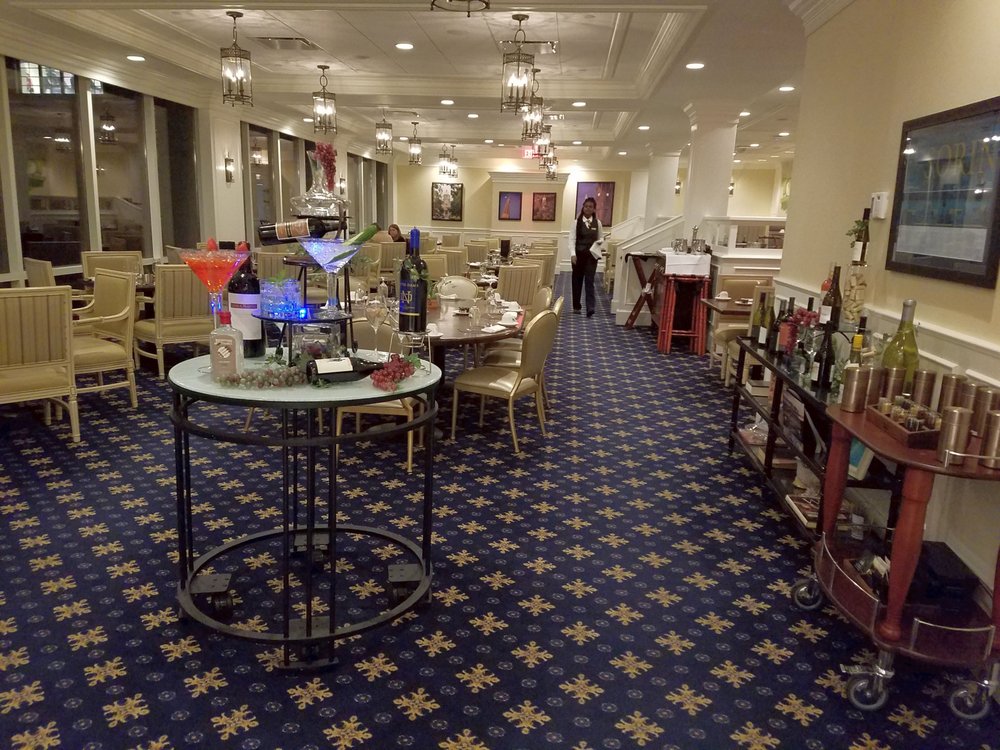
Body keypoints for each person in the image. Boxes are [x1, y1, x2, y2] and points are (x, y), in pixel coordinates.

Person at [569, 196, 603, 317]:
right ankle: (576, 306)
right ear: (583, 207)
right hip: (578, 255)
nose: (588, 208)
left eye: (590, 207)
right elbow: (572, 239)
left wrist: (600, 241)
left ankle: (590, 308)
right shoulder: (576, 223)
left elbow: (600, 237)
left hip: (591, 256)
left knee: (589, 281)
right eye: (586, 206)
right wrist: (573, 254)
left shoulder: (598, 223)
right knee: (577, 281)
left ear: (594, 209)